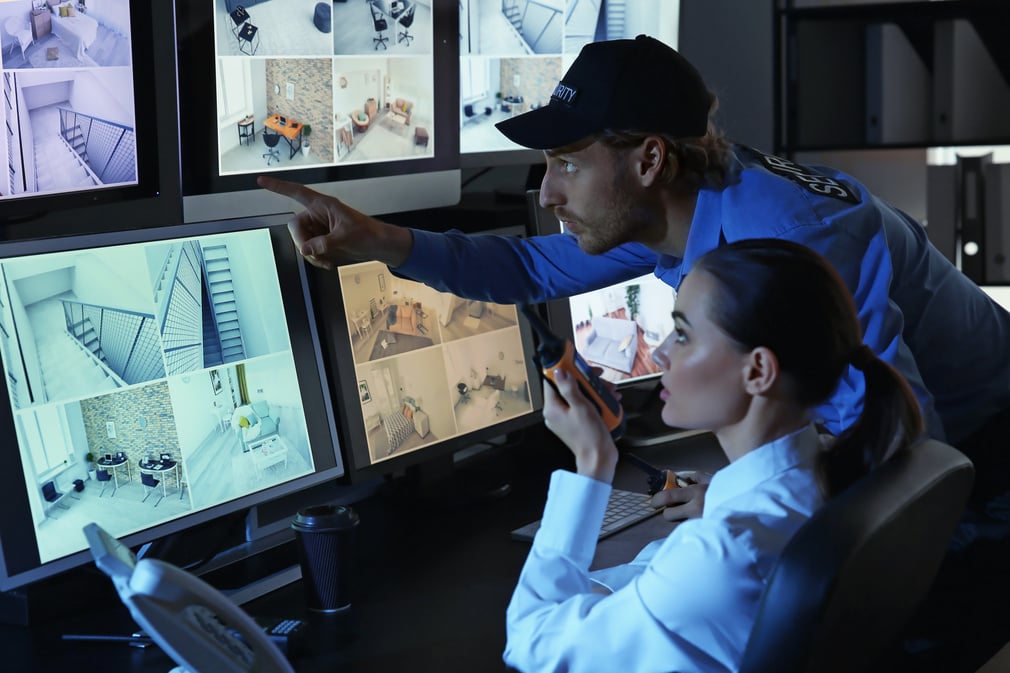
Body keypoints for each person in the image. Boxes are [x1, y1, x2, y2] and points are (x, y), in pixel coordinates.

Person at [259, 35, 1010, 669]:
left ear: (649, 159)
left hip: (988, 455)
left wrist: (736, 507)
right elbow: (530, 269)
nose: (548, 192)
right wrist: (377, 241)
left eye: (567, 163)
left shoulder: (790, 239)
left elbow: (906, 458)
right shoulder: (679, 206)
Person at [502, 237, 922, 672]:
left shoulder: (722, 552)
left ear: (757, 370)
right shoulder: (822, 477)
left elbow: (531, 642)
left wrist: (593, 464)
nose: (661, 352)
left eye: (681, 334)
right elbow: (670, 581)